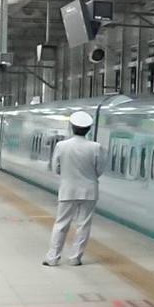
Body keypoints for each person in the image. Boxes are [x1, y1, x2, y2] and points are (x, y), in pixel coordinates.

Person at [43, 111, 103, 267]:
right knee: (84, 225)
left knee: (61, 223)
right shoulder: (96, 147)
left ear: (72, 127)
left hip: (67, 190)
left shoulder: (61, 146)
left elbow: (56, 168)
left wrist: (67, 176)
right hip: (89, 191)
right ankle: (75, 258)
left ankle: (53, 257)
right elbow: (100, 170)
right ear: (88, 129)